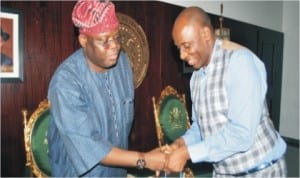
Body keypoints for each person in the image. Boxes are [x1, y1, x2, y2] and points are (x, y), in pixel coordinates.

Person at [163, 6, 287, 177]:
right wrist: (181, 143)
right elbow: (201, 127)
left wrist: (188, 153)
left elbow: (241, 133)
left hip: (261, 170)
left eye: (186, 46)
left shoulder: (239, 63)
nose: (182, 55)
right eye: (179, 48)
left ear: (206, 34)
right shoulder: (196, 78)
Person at [47, 0, 165, 177]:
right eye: (104, 41)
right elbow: (91, 147)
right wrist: (144, 160)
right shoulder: (66, 82)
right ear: (84, 40)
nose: (115, 46)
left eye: (117, 37)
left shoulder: (123, 64)